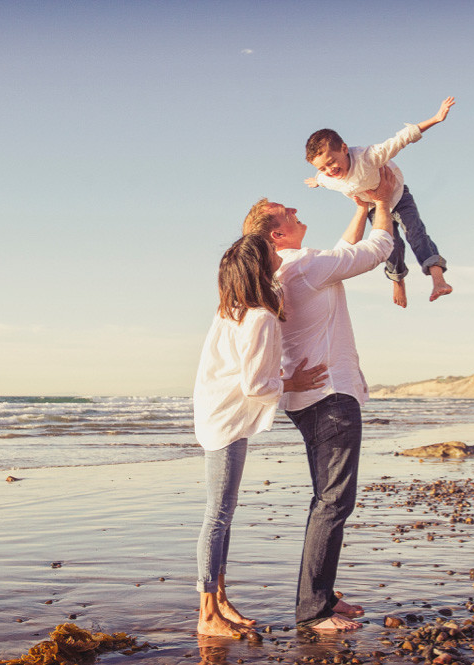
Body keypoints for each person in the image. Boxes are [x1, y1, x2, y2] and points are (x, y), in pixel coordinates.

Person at [241, 167, 398, 632]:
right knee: (333, 502)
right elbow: (375, 251)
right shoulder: (305, 266)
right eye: (286, 212)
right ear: (278, 233)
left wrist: (359, 210)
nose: (295, 210)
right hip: (330, 396)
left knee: (327, 499)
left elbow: (340, 255)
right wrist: (384, 204)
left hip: (312, 397)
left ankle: (322, 597)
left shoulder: (294, 267)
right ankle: (313, 611)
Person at [193, 233, 329, 638]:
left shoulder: (230, 310)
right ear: (260, 267)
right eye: (271, 250)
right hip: (227, 420)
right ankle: (206, 613)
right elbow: (256, 385)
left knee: (223, 512)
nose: (277, 251)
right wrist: (293, 379)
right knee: (218, 513)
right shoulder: (259, 318)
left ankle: (219, 600)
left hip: (217, 412)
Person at [304, 96, 455, 308]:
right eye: (323, 168)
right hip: (375, 207)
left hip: (398, 196)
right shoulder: (327, 178)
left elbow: (401, 139)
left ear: (344, 148)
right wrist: (317, 181)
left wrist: (436, 118)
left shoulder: (369, 157)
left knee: (416, 233)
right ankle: (397, 280)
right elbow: (323, 177)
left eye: (332, 162)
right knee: (390, 247)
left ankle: (438, 280)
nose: (330, 170)